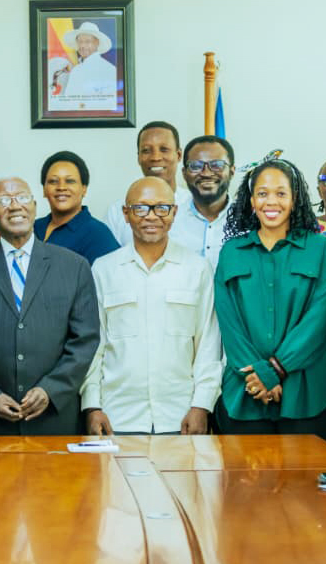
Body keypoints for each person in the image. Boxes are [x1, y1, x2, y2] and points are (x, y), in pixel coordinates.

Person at [0, 177, 100, 435]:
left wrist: (51, 389)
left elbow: (85, 340)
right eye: (4, 200)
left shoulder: (74, 266)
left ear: (36, 206)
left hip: (53, 420)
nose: (15, 206)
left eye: (23, 198)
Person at [212, 158, 326, 444]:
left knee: (308, 487)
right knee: (248, 487)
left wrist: (275, 370)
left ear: (295, 200)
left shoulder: (320, 249)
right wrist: (258, 374)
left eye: (281, 193)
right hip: (247, 391)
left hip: (308, 393)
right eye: (262, 193)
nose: (271, 201)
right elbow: (229, 323)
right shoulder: (232, 252)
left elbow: (318, 322)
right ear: (251, 200)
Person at [82, 177, 222, 435]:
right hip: (117, 418)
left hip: (180, 417)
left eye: (162, 207)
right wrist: (92, 406)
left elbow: (208, 344)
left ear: (174, 213)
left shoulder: (197, 269)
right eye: (140, 208)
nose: (151, 216)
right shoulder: (104, 269)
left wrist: (202, 405)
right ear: (126, 214)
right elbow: (94, 344)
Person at [104, 121, 187, 246]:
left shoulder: (195, 206)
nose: (155, 157)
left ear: (179, 155)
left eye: (164, 149)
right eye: (146, 150)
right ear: (138, 157)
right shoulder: (117, 212)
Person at [34, 150, 119, 265]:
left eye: (70, 181)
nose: (61, 187)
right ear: (44, 189)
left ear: (84, 189)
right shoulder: (33, 227)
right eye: (53, 181)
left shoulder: (98, 234)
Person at [172, 135, 236, 268]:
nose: (206, 173)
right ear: (184, 173)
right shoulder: (169, 220)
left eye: (217, 165)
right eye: (196, 166)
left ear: (232, 171)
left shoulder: (250, 222)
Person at [60, 22, 116, 99]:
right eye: (80, 42)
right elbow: (68, 100)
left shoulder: (109, 70)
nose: (82, 46)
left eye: (87, 42)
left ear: (97, 43)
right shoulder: (76, 70)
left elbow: (109, 102)